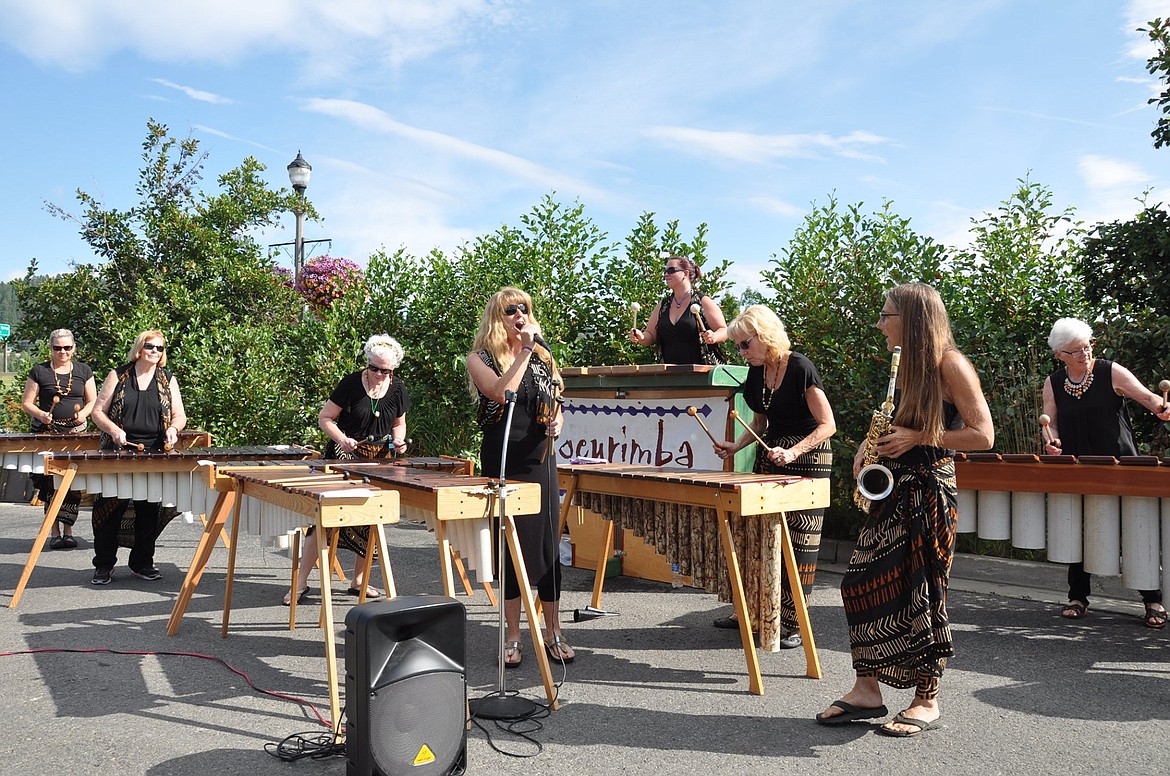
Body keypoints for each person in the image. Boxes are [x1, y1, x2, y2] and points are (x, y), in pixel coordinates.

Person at [816, 283, 994, 737]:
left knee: (924, 591)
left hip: (930, 491)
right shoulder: (903, 368)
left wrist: (921, 437)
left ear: (912, 320)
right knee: (861, 584)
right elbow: (893, 424)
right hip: (894, 492)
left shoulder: (950, 364)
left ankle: (926, 698)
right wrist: (866, 449)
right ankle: (867, 691)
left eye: (885, 315)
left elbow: (983, 435)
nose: (879, 324)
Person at [712, 306, 836, 649]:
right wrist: (736, 445)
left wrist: (795, 452)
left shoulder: (799, 367)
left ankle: (794, 623)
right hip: (773, 457)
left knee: (798, 545)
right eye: (737, 345)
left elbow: (828, 425)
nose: (741, 351)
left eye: (744, 344)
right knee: (756, 536)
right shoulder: (757, 371)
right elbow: (762, 423)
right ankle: (752, 612)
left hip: (809, 459)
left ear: (764, 337)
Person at [466, 287, 573, 666]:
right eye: (512, 310)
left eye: (525, 309)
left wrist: (558, 419)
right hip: (505, 456)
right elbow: (502, 392)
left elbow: (558, 398)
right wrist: (524, 352)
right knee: (512, 548)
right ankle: (513, 636)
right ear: (498, 316)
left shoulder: (543, 355)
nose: (520, 315)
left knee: (546, 543)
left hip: (540, 457)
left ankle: (554, 632)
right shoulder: (480, 358)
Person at [1041, 317, 1170, 629]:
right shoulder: (1054, 382)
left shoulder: (1110, 370)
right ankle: (1078, 596)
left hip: (1120, 466)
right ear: (1060, 354)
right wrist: (1051, 442)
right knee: (1079, 529)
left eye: (1087, 346)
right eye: (1075, 351)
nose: (1084, 354)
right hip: (1079, 467)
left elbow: (1148, 398)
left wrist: (1162, 407)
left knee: (1135, 531)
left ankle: (1153, 599)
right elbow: (1050, 421)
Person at [284, 334, 409, 605]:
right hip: (342, 458)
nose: (377, 374)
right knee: (323, 522)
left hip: (378, 462)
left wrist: (399, 441)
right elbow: (325, 418)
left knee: (369, 521)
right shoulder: (351, 383)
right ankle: (301, 582)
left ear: (393, 369)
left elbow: (399, 422)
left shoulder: (398, 389)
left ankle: (358, 581)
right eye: (373, 367)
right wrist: (342, 438)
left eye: (384, 370)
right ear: (367, 363)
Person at [89, 330, 188, 585]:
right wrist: (114, 430)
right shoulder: (119, 375)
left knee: (149, 508)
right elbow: (97, 411)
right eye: (150, 346)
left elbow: (179, 415)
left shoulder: (167, 379)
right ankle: (103, 564)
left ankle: (142, 563)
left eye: (160, 348)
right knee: (110, 507)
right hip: (118, 450)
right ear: (139, 348)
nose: (155, 351)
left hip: (154, 451)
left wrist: (173, 429)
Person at [21, 329, 98, 549]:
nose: (62, 351)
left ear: (74, 348)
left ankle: (68, 530)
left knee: (70, 484)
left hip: (75, 434)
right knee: (49, 484)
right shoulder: (39, 371)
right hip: (47, 434)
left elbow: (93, 401)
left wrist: (82, 414)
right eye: (57, 348)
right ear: (50, 348)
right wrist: (41, 415)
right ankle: (54, 532)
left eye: (67, 347)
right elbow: (27, 403)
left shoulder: (84, 370)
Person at [628, 254, 729, 364]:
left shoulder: (702, 301)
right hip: (670, 375)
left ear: (685, 273)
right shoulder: (663, 305)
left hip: (701, 372)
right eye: (665, 271)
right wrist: (641, 336)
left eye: (671, 270)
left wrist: (714, 336)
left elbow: (724, 330)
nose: (666, 274)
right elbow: (650, 335)